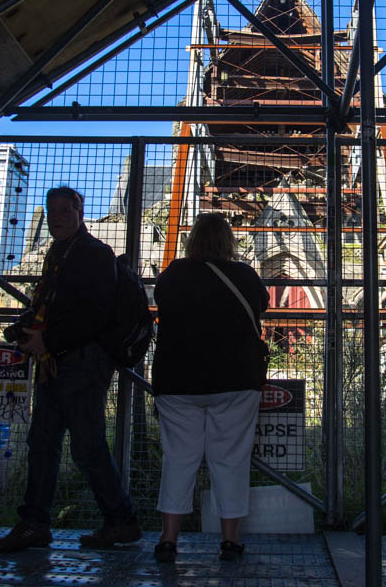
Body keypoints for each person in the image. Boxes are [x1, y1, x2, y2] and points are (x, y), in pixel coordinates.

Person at [0, 185, 140, 551]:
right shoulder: (60, 253)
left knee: (86, 446)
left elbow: (97, 314)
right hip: (56, 363)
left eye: (64, 210)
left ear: (79, 212)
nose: (56, 217)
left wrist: (48, 341)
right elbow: (51, 306)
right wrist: (26, 328)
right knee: (42, 441)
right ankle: (34, 522)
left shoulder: (93, 253)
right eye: (52, 210)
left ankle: (120, 519)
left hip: (83, 364)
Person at [151, 212, 270, 563]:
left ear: (192, 240)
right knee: (230, 459)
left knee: (179, 459)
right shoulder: (245, 275)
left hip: (178, 382)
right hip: (235, 380)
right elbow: (261, 306)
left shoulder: (173, 275)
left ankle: (169, 539)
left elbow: (162, 303)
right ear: (228, 241)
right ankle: (230, 541)